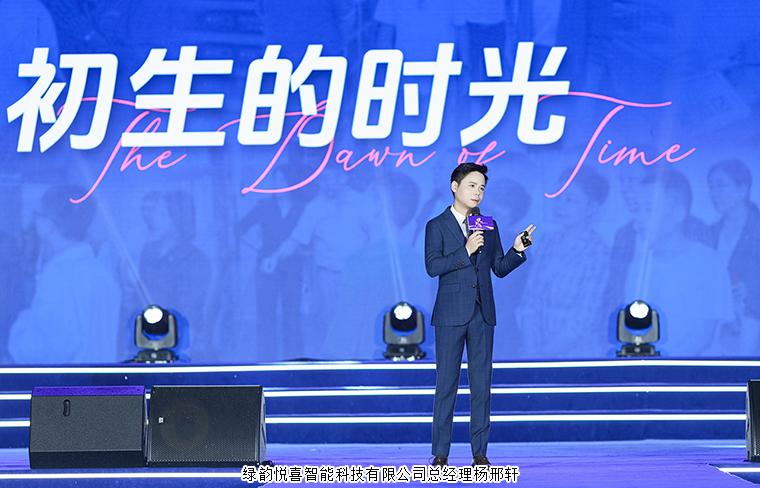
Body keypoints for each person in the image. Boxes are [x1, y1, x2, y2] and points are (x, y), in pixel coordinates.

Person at [424, 162, 534, 467]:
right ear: (455, 186)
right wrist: (466, 250)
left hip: (482, 312)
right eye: (472, 185)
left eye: (482, 187)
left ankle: (480, 453)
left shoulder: (487, 224)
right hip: (449, 314)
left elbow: (498, 268)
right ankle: (441, 453)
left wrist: (517, 250)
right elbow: (433, 266)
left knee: (481, 386)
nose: (477, 192)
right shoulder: (437, 225)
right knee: (446, 385)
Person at [8, 184, 120, 364]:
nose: (34, 222)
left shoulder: (58, 276)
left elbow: (41, 353)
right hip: (99, 381)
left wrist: (22, 325)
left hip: (67, 382)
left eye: (38, 215)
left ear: (48, 226)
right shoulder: (102, 274)